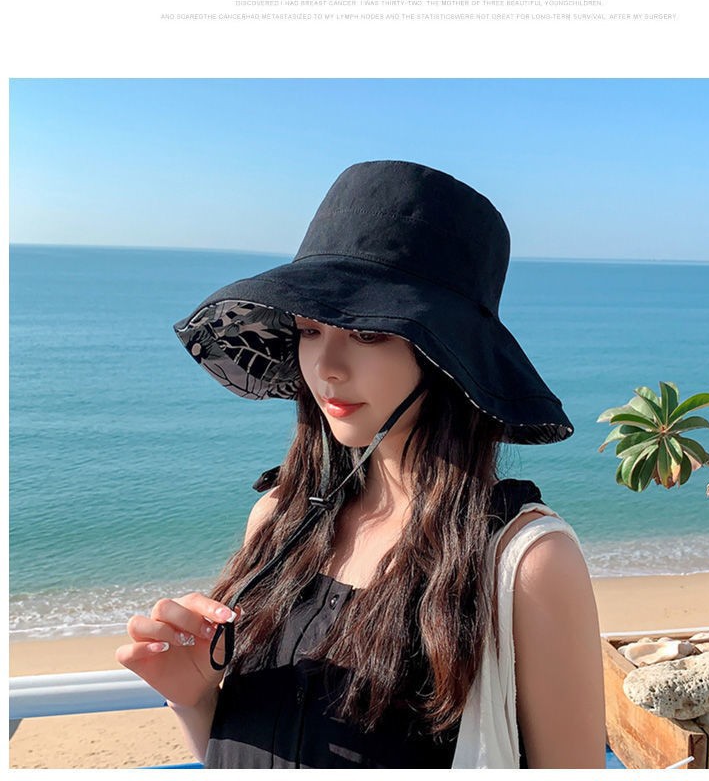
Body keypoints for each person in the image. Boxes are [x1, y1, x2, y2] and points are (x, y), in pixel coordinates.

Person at [116, 160, 606, 768]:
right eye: (309, 330)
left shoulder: (524, 561)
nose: (327, 367)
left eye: (369, 334)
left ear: (445, 355)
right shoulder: (278, 519)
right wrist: (192, 698)